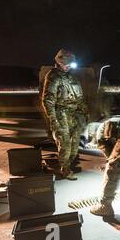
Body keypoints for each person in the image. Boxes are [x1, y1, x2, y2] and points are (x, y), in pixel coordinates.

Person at [41, 49, 88, 180]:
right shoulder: (53, 76)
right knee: (65, 144)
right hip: (61, 115)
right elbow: (48, 101)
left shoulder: (71, 77)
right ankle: (65, 169)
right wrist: (53, 120)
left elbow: (80, 99)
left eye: (71, 64)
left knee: (74, 146)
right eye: (67, 63)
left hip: (74, 115)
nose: (69, 66)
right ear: (59, 62)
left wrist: (85, 114)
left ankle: (68, 165)